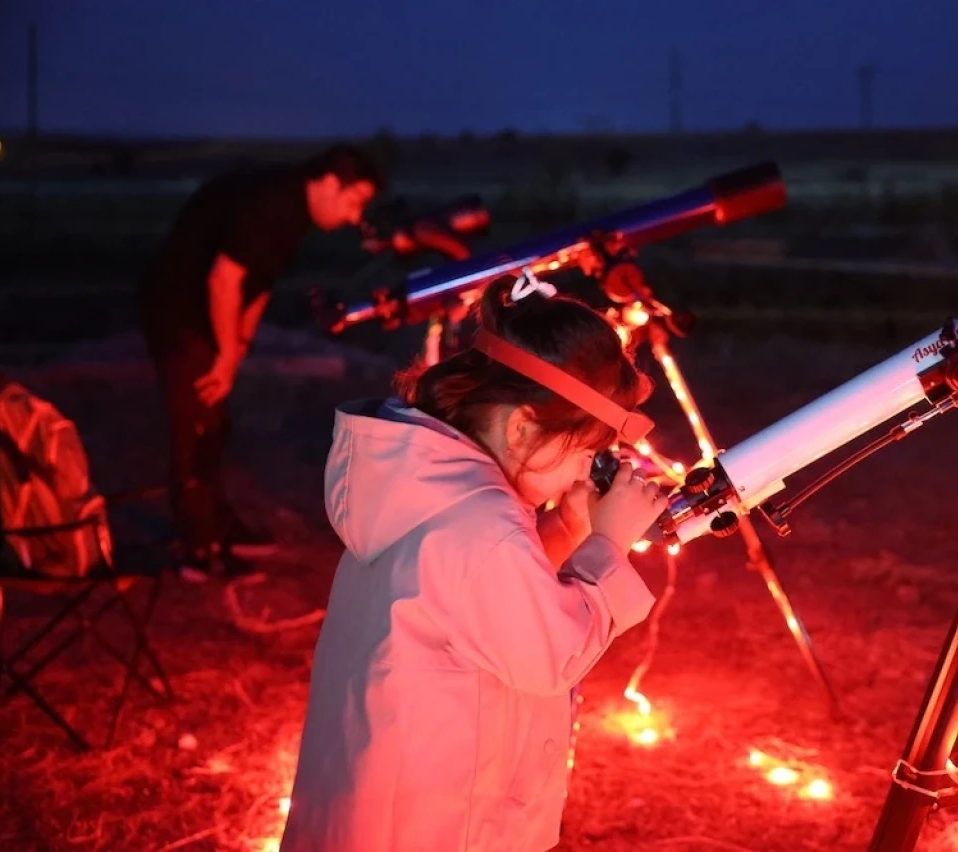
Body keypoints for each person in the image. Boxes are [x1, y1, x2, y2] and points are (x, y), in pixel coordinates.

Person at [280, 276, 666, 852]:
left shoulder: (430, 489)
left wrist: (565, 528)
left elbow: (483, 599)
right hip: (438, 822)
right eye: (584, 452)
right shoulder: (482, 523)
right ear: (521, 426)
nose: (583, 473)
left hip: (381, 800)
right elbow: (547, 651)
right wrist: (607, 549)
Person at [136, 144, 385, 581]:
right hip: (179, 310)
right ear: (330, 181)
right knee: (195, 423)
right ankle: (198, 547)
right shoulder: (274, 201)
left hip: (205, 314)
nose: (353, 217)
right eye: (354, 201)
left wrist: (241, 341)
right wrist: (227, 356)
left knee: (215, 422)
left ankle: (219, 524)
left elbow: (259, 280)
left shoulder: (293, 212)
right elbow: (224, 279)